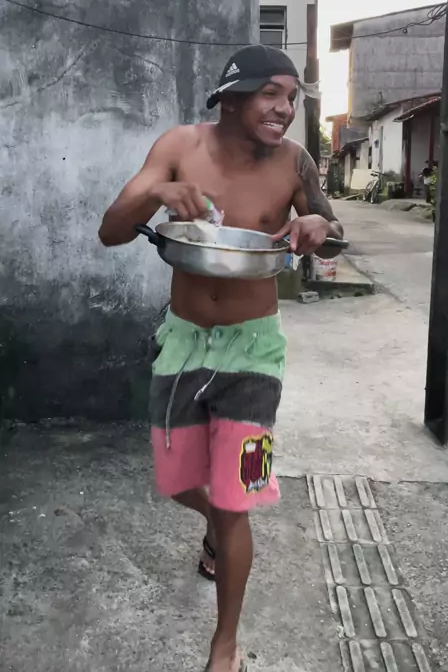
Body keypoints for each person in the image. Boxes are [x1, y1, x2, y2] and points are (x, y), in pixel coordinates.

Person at [98, 44, 344, 672]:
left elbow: (331, 230)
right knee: (178, 479)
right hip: (184, 342)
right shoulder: (179, 146)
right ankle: (213, 520)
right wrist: (158, 191)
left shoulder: (295, 161)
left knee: (240, 498)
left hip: (256, 353)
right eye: (271, 94)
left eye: (292, 98)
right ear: (232, 99)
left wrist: (320, 230)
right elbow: (112, 230)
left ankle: (224, 646)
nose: (285, 108)